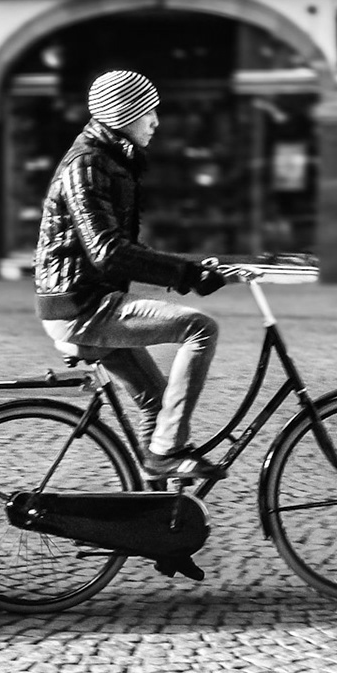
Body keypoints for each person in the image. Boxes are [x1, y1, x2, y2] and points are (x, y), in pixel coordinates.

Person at [34, 70, 228, 482]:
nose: (156, 120)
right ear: (124, 113)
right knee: (200, 329)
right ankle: (165, 454)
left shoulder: (111, 161)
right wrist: (184, 274)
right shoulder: (87, 165)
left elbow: (124, 253)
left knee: (158, 408)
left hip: (90, 301)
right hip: (81, 307)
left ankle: (157, 526)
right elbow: (108, 252)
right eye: (148, 111)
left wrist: (193, 268)